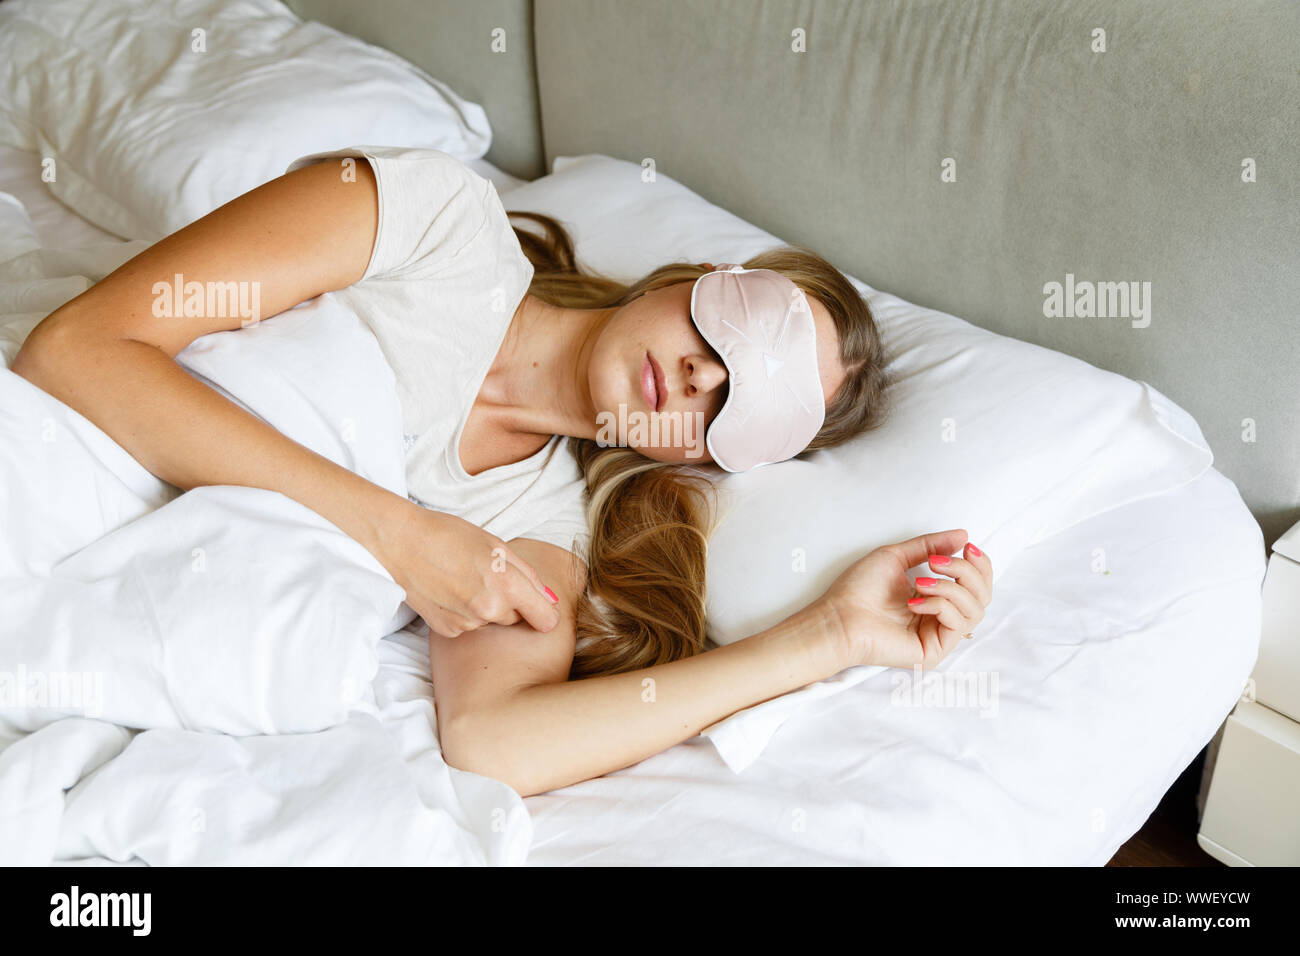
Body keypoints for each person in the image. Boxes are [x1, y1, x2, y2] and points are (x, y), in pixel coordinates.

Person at [12, 147, 992, 797]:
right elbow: (73, 349)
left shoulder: (545, 531)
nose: (702, 374)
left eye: (738, 406)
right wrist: (396, 532)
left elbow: (491, 739)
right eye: (727, 331)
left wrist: (827, 636)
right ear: (683, 281)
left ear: (704, 458)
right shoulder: (437, 221)